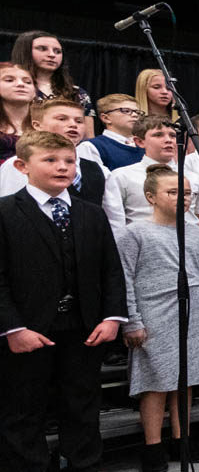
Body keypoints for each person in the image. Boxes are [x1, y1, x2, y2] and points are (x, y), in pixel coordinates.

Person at [0, 131, 126, 472]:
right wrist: (13, 328)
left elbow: (111, 269)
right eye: (51, 160)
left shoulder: (90, 214)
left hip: (84, 328)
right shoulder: (6, 211)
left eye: (69, 161)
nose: (63, 167)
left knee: (82, 405)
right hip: (28, 330)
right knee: (24, 409)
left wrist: (112, 316)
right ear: (22, 165)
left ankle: (85, 464)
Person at [118, 165, 199, 470]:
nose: (182, 198)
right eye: (173, 192)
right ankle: (152, 447)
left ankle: (181, 439)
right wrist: (132, 321)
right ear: (150, 197)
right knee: (155, 382)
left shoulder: (198, 235)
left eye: (186, 193)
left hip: (193, 311)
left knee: (186, 379)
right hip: (155, 314)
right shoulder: (134, 232)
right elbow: (125, 279)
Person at [102, 115, 199, 240]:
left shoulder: (193, 178)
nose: (168, 140)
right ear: (140, 141)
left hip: (188, 244)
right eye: (158, 135)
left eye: (172, 135)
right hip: (144, 245)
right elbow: (115, 223)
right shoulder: (122, 176)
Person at [0, 100, 108, 205]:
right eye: (62, 119)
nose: (73, 124)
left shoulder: (99, 169)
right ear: (37, 125)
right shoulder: (21, 164)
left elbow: (111, 215)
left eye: (79, 121)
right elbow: (9, 209)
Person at [10, 31, 95, 138]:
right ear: (24, 52)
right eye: (42, 48)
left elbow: (88, 138)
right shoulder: (10, 88)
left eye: (57, 51)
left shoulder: (77, 93)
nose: (51, 55)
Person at [77, 93, 145, 171]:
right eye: (126, 111)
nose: (134, 115)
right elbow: (94, 180)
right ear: (106, 118)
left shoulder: (145, 145)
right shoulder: (91, 147)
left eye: (137, 112)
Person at [0, 61, 34, 162]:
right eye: (9, 80)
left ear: (35, 92)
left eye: (28, 82)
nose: (21, 84)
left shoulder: (47, 126)